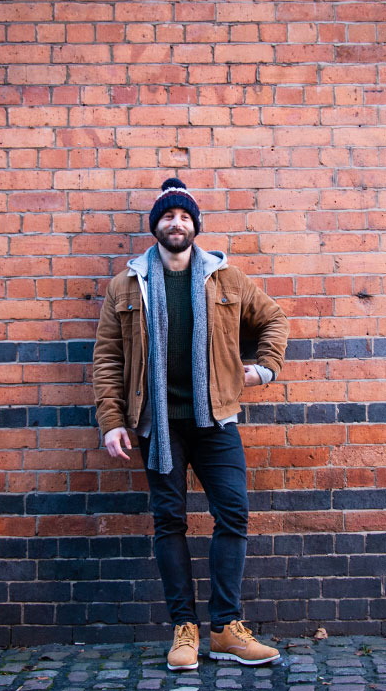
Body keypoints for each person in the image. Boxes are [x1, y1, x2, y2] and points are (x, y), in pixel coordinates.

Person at [92, 178, 289, 671]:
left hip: (215, 418)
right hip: (158, 426)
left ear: (195, 226)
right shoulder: (128, 283)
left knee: (234, 515)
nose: (175, 222)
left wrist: (263, 368)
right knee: (169, 522)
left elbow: (274, 319)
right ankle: (184, 628)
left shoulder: (226, 278)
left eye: (184, 216)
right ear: (155, 225)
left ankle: (225, 628)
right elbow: (107, 358)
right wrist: (112, 420)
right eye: (167, 215)